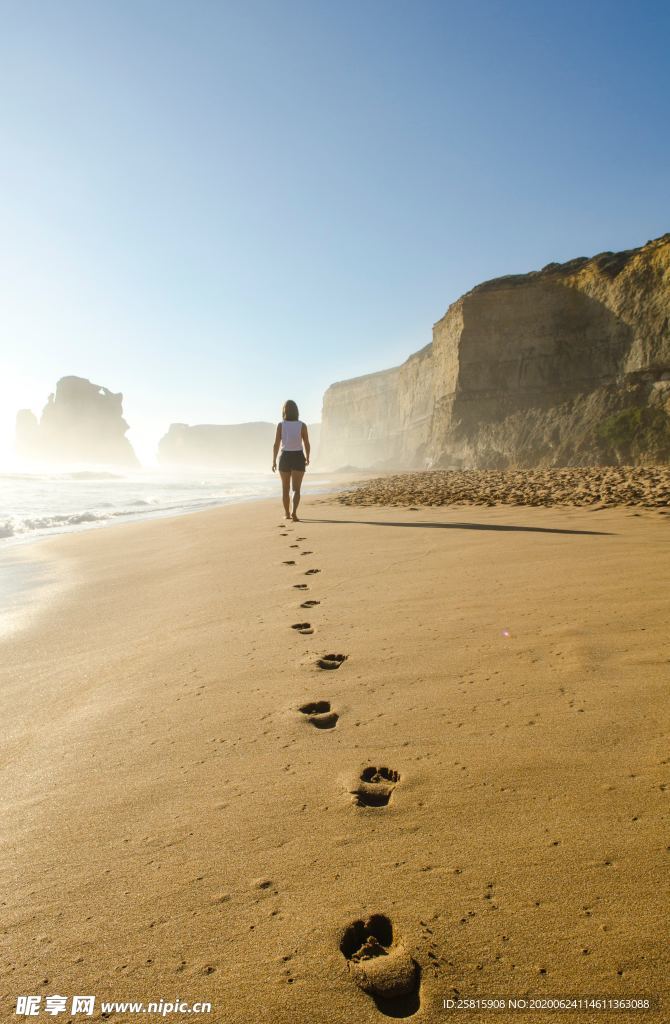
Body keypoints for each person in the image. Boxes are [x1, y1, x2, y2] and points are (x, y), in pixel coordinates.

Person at [272, 400, 310, 521]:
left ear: (284, 411)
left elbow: (276, 444)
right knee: (296, 489)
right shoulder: (302, 425)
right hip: (298, 456)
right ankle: (294, 512)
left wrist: (273, 461)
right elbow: (307, 443)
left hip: (284, 457)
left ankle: (287, 513)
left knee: (285, 488)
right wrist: (308, 457)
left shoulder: (281, 425)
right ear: (296, 411)